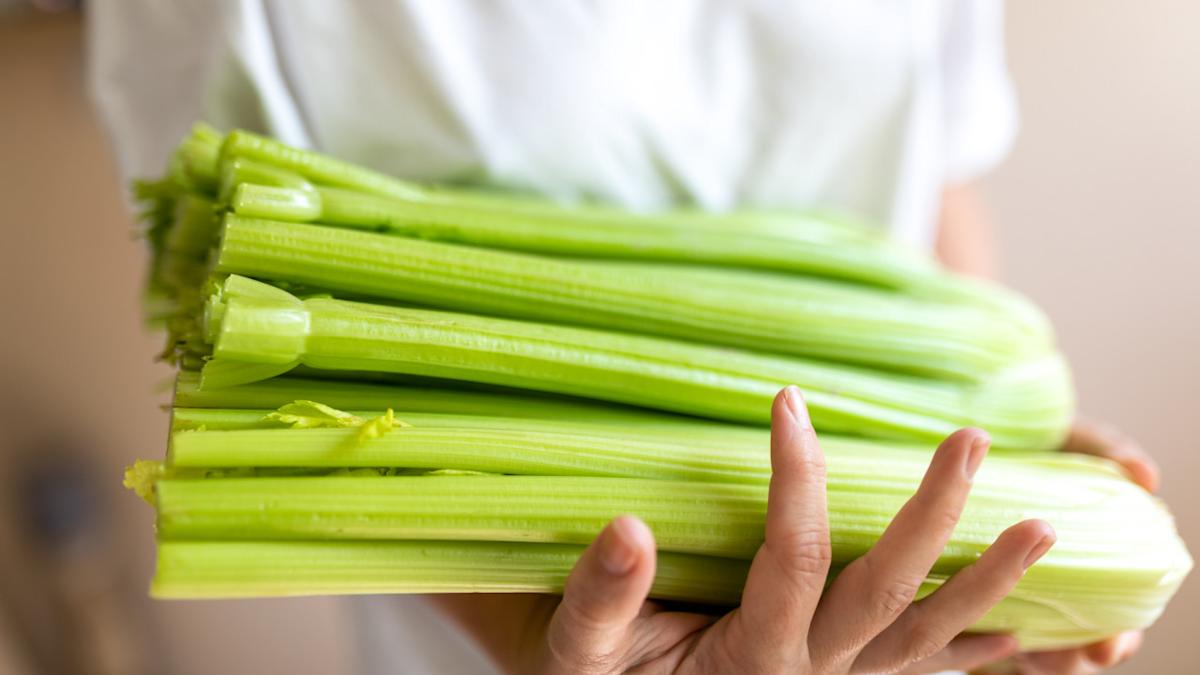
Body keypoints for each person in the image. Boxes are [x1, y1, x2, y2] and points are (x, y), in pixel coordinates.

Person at [89, 1, 1159, 672]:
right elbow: (244, 329)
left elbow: (926, 162)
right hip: (521, 617)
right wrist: (532, 643)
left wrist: (983, 464)